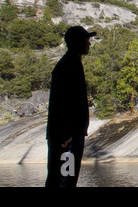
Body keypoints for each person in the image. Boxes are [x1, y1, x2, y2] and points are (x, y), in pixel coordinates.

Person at [45, 26, 96, 187]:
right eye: (87, 40)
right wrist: (66, 133)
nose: (89, 44)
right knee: (64, 180)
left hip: (69, 134)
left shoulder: (71, 63)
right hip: (67, 137)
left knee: (63, 178)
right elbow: (63, 100)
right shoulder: (69, 65)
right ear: (78, 41)